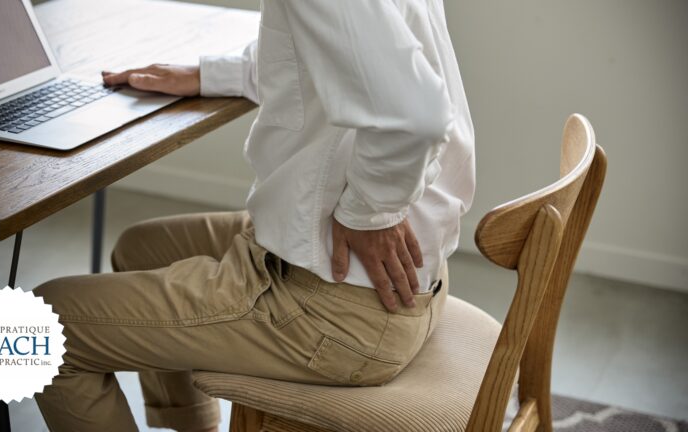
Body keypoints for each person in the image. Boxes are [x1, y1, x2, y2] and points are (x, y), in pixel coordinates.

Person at [33, 1, 474, 431]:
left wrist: (370, 212)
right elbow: (329, 54)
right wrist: (212, 74)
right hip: (400, 282)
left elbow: (416, 116)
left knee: (40, 330)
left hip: (340, 309)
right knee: (141, 248)